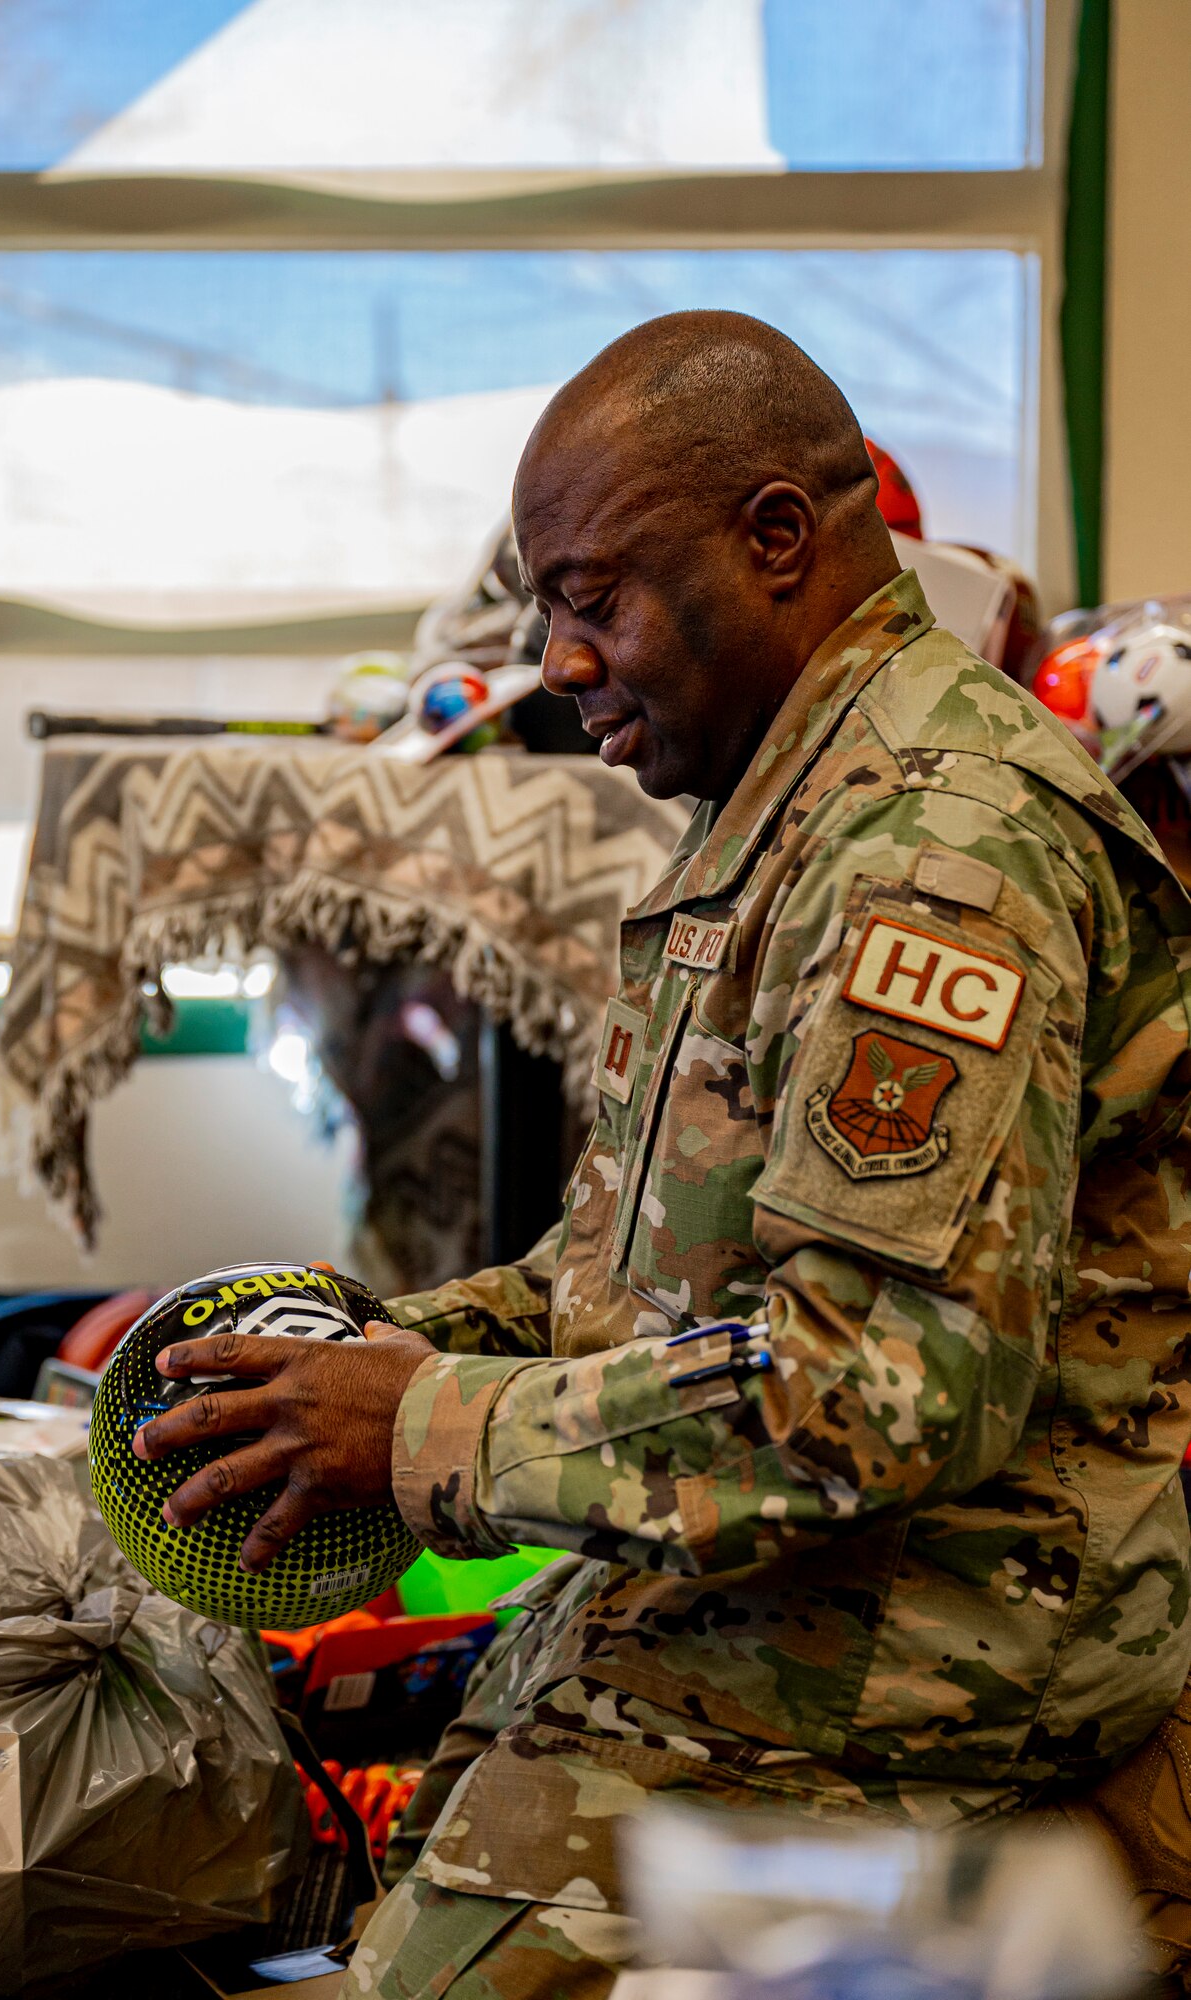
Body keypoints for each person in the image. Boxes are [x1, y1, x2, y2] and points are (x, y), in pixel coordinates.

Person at [133, 312, 1191, 1997]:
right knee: (329, 1831)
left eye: (590, 594)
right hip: (773, 1605)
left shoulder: (938, 848)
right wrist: (383, 1353)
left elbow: (877, 1391)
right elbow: (629, 1282)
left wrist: (419, 1429)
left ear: (778, 542)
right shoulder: (780, 810)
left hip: (926, 1659)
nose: (556, 660)